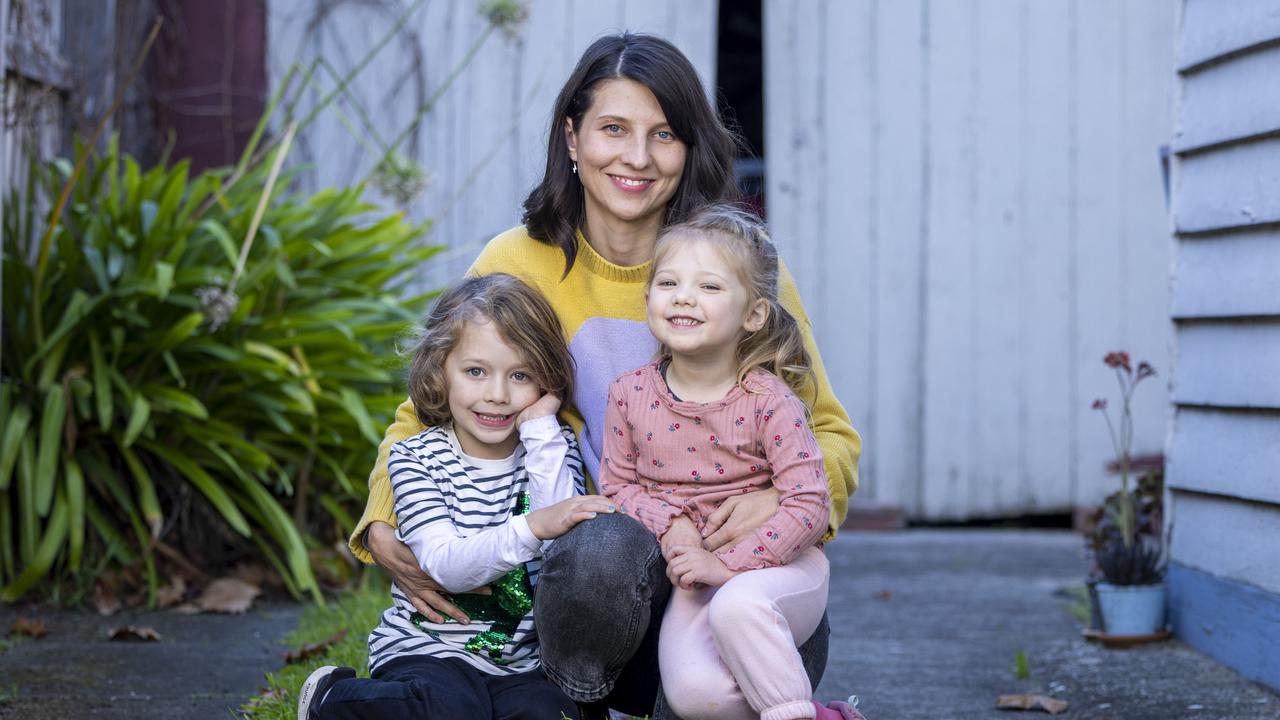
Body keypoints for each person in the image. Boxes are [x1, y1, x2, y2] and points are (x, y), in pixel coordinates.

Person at [348, 32, 863, 719]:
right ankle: (570, 705)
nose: (637, 158)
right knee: (602, 543)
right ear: (572, 137)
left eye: (665, 134)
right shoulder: (519, 261)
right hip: (581, 596)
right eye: (613, 129)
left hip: (734, 597)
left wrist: (783, 497)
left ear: (690, 148)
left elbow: (828, 430)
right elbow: (426, 412)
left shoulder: (734, 268)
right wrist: (381, 519)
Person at [298, 274, 614, 720]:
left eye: (521, 375)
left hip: (519, 663)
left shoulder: (552, 446)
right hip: (428, 649)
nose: (498, 395)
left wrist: (542, 426)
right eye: (476, 371)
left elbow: (563, 539)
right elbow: (446, 565)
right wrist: (533, 527)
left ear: (547, 381)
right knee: (451, 710)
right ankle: (333, 697)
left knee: (547, 714)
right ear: (438, 370)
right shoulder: (415, 459)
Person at [597, 204, 863, 720]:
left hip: (781, 571)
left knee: (740, 605)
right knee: (697, 696)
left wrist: (729, 567)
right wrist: (672, 526)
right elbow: (618, 485)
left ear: (754, 314)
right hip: (697, 575)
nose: (684, 298)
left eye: (710, 287)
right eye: (668, 282)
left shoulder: (768, 400)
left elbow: (808, 502)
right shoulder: (630, 394)